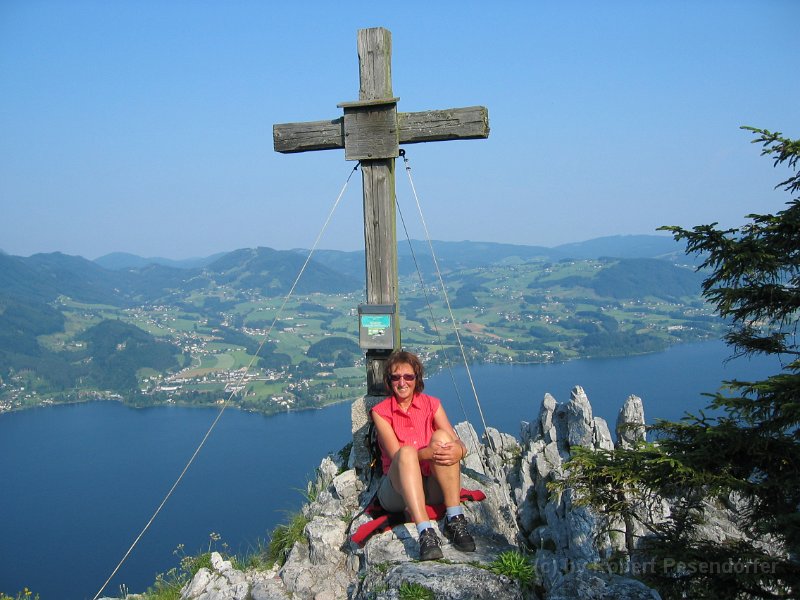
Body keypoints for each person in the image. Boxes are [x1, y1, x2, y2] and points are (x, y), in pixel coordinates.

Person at [370, 350, 476, 560]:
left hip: (430, 486)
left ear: (416, 378)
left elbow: (457, 442)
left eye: (408, 376)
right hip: (397, 492)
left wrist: (459, 450)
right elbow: (396, 457)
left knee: (443, 438)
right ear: (389, 381)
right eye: (396, 377)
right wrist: (427, 453)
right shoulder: (380, 412)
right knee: (406, 452)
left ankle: (454, 519)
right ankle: (425, 532)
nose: (402, 382)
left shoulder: (432, 404)